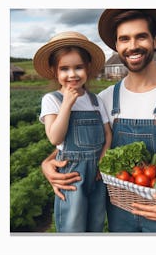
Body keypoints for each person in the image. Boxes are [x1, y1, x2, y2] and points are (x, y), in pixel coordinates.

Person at [41, 10, 156, 232]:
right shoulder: (106, 98)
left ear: (155, 41)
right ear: (117, 47)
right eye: (124, 39)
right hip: (117, 213)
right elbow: (83, 142)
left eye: (141, 36)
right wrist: (48, 163)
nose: (132, 46)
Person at [33, 31, 112, 232]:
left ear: (87, 69)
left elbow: (107, 134)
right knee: (73, 225)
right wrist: (67, 104)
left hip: (97, 173)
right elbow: (55, 137)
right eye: (64, 69)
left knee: (95, 223)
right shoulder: (52, 100)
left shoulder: (96, 101)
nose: (72, 74)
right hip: (71, 174)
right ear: (54, 71)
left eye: (78, 67)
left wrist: (102, 160)